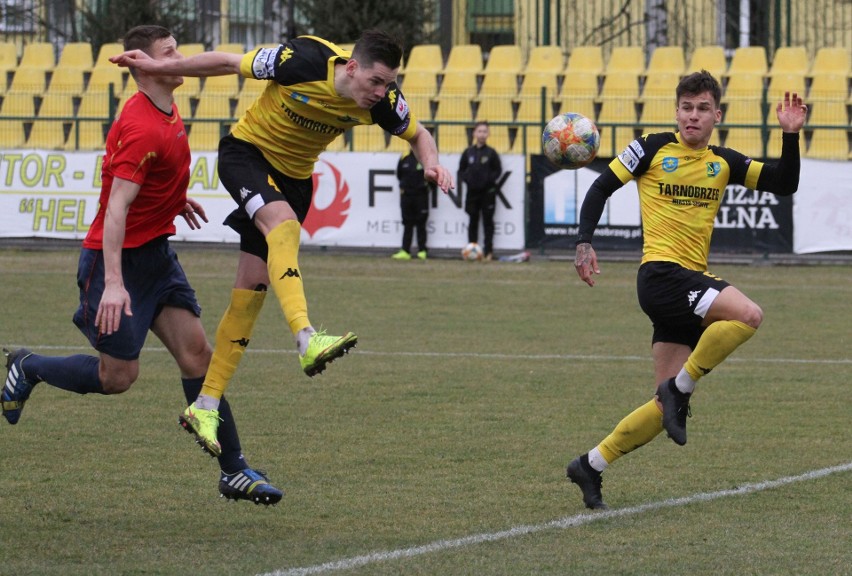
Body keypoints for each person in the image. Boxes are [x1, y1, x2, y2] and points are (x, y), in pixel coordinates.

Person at [110, 30, 455, 457]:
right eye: (375, 82)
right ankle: (306, 337)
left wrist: (433, 165)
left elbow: (420, 135)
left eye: (388, 84)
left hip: (293, 180)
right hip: (247, 156)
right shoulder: (302, 60)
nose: (381, 92)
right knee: (285, 227)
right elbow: (224, 62)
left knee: (250, 294)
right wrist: (158, 66)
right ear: (352, 67)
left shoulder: (384, 102)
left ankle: (206, 403)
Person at [1, 25, 282, 506]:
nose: (179, 59)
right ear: (144, 65)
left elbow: (145, 182)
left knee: (199, 357)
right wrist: (113, 284)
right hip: (117, 265)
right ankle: (28, 366)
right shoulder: (139, 126)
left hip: (156, 255)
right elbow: (114, 210)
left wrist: (175, 198)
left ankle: (233, 470)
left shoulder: (168, 108)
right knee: (119, 378)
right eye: (169, 54)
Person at [564, 70, 807, 510]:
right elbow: (601, 187)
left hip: (683, 287)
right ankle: (683, 387)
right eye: (685, 108)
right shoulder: (652, 147)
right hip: (660, 275)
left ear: (717, 114)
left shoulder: (724, 162)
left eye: (701, 109)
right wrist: (584, 241)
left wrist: (789, 136)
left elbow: (784, 181)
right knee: (748, 315)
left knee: (661, 408)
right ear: (676, 111)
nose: (692, 117)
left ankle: (590, 465)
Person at [458, 121, 502, 261]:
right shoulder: (468, 152)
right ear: (474, 133)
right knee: (473, 221)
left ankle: (488, 252)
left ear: (488, 134)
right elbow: (461, 170)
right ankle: (472, 251)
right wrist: (469, 180)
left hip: (488, 193)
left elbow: (498, 170)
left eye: (484, 131)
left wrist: (488, 181)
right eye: (479, 131)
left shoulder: (491, 153)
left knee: (488, 222)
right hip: (472, 193)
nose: (482, 134)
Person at [392, 150, 434, 260]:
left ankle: (422, 250)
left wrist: (424, 187)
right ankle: (405, 250)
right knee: (407, 223)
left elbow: (432, 178)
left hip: (421, 196)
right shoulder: (404, 157)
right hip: (406, 196)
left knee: (421, 223)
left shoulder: (427, 158)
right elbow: (399, 175)